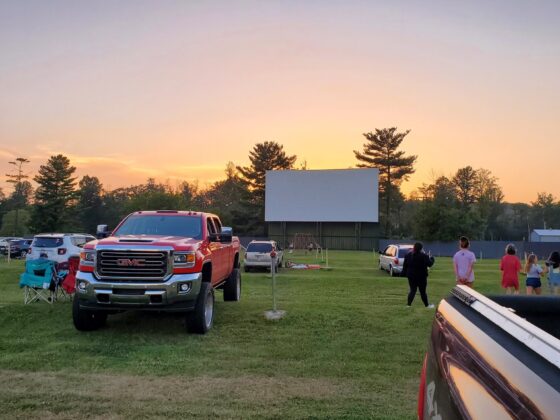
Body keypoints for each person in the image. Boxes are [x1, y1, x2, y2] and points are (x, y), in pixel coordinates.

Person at [402, 242, 435, 308]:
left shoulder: (408, 255)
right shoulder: (424, 256)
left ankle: (408, 305)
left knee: (412, 290)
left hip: (411, 276)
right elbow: (430, 264)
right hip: (421, 277)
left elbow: (405, 266)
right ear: (421, 248)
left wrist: (405, 273)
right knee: (422, 291)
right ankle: (427, 305)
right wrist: (432, 258)